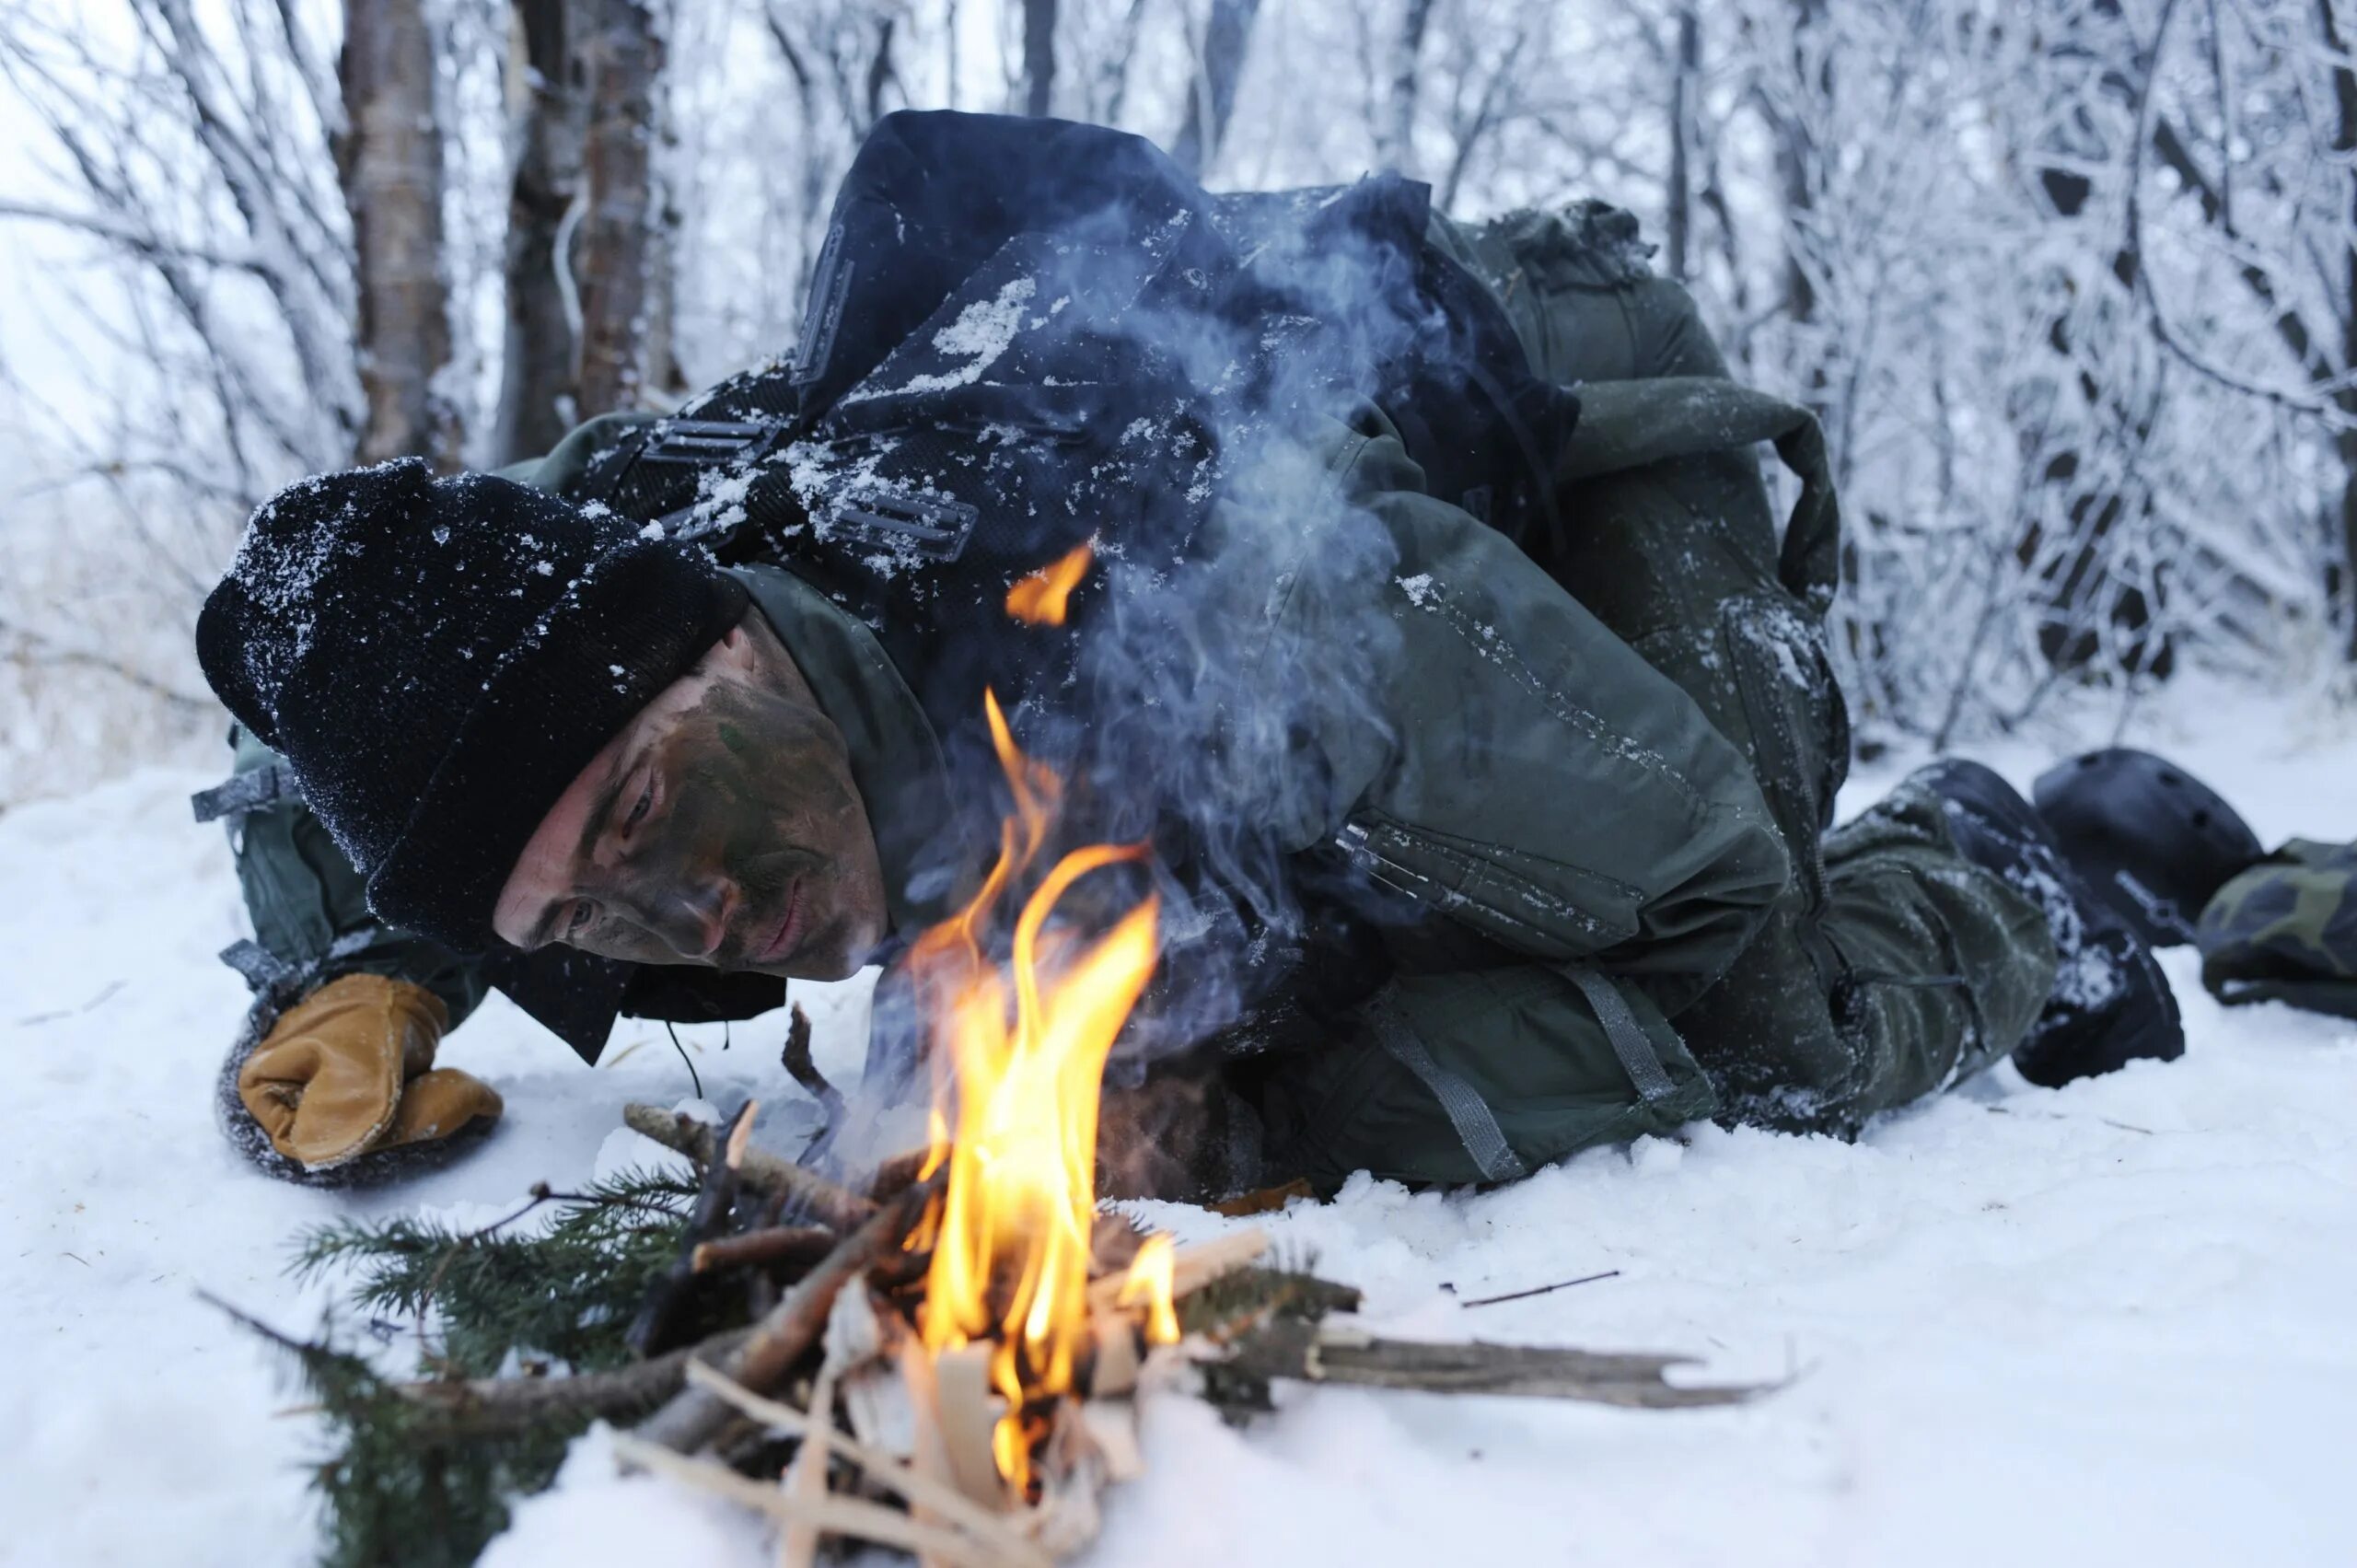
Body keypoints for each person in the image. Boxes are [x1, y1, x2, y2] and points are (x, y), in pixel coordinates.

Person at [192, 110, 2192, 1198]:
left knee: (1771, 1040)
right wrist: (371, 959)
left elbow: (1705, 904)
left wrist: (1267, 1107)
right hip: (1275, 561)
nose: (681, 911)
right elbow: (333, 713)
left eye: (643, 808)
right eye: (581, 910)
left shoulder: (1193, 603)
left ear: (724, 643)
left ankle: (1999, 864)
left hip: (1553, 451)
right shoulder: (637, 545)